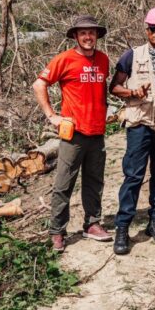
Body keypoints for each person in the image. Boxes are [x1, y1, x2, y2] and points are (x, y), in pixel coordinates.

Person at [33, 15, 113, 253]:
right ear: (76, 37)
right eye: (83, 33)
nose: (88, 37)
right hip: (73, 133)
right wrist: (52, 116)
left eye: (92, 33)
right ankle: (57, 231)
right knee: (64, 184)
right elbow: (39, 85)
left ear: (97, 35)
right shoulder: (65, 59)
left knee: (94, 181)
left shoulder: (103, 60)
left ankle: (92, 224)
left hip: (97, 132)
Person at [110, 7, 155, 254]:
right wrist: (132, 92)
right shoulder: (132, 55)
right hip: (139, 122)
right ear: (146, 29)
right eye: (154, 28)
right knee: (133, 176)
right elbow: (115, 87)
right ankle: (122, 227)